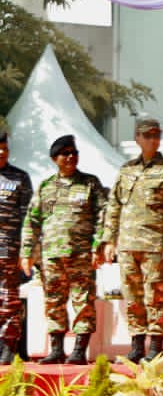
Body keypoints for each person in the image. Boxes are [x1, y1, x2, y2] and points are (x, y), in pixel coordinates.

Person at [101, 117, 163, 363]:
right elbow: (113, 206)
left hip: (155, 244)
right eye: (147, 135)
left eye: (156, 135)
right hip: (127, 245)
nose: (152, 140)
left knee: (156, 297)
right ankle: (137, 345)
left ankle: (155, 346)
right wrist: (109, 240)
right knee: (132, 297)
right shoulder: (126, 169)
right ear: (137, 138)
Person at [19, 135, 105, 365]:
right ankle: (56, 349)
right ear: (54, 158)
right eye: (65, 153)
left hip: (81, 254)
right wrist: (27, 252)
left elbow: (103, 216)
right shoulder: (46, 186)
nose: (70, 157)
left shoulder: (90, 183)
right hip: (51, 256)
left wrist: (98, 246)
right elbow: (32, 221)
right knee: (53, 302)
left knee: (83, 301)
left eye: (74, 152)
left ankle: (79, 351)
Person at [0, 130, 32, 365]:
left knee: (8, 298)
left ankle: (8, 346)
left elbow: (28, 218)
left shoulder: (19, 177)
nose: (1, 152)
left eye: (5, 148)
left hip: (8, 249)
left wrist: (26, 251)